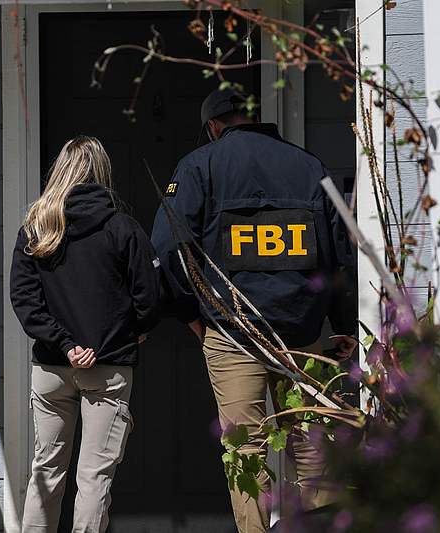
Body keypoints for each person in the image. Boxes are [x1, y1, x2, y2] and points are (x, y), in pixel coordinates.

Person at [151, 88, 357, 533]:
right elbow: (340, 252)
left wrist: (192, 312)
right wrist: (341, 325)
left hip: (232, 333)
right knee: (312, 445)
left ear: (213, 127)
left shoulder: (198, 166)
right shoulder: (309, 165)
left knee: (245, 451)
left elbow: (167, 249)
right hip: (303, 333)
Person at [10, 136, 162, 533]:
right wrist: (127, 337)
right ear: (101, 174)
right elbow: (149, 298)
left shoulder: (37, 228)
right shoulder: (121, 228)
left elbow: (24, 300)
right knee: (94, 477)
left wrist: (64, 344)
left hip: (51, 369)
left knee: (46, 470)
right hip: (107, 369)